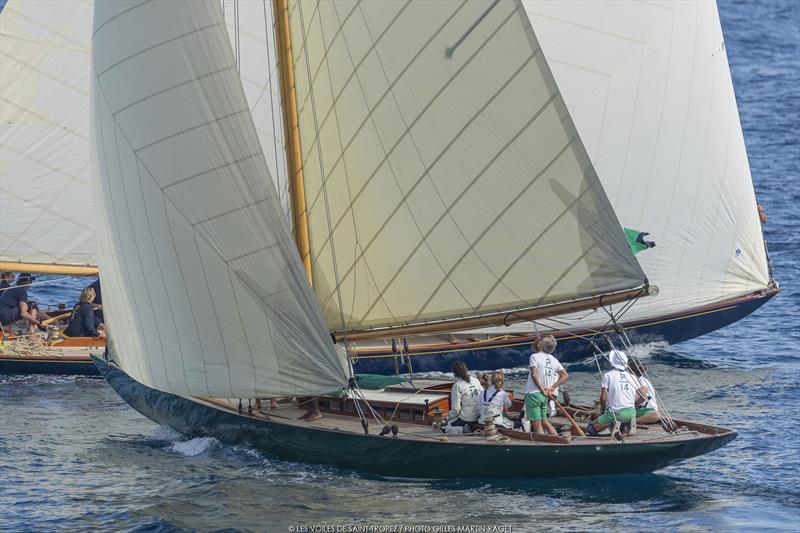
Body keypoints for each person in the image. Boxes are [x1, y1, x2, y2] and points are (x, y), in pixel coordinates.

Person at [525, 335, 569, 436]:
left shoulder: (534, 356)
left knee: (537, 424)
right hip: (544, 396)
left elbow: (534, 374)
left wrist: (541, 389)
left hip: (533, 395)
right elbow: (565, 375)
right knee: (545, 422)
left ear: (541, 345)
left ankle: (544, 445)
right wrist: (552, 388)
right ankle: (556, 439)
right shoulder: (553, 359)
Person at [586, 349, 637, 435]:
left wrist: (602, 409)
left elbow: (603, 398)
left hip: (615, 413)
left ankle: (612, 424)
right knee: (622, 419)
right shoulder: (633, 377)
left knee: (590, 427)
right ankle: (626, 424)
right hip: (632, 412)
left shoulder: (608, 375)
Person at [445, 361, 483, 433]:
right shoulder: (475, 380)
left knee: (446, 426)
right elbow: (482, 396)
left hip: (467, 418)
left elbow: (456, 409)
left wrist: (448, 418)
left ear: (454, 373)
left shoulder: (457, 385)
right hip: (479, 416)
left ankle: (463, 430)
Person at [629, 358, 661, 425]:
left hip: (646, 409)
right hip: (647, 409)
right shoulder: (642, 380)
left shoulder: (642, 380)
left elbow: (643, 396)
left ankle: (633, 421)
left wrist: (634, 404)